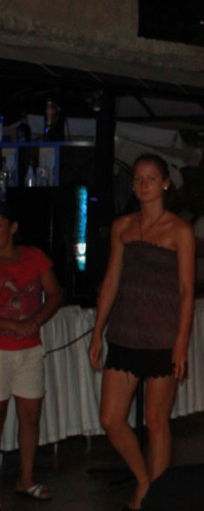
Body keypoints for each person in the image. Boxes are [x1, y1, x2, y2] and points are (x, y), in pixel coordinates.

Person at [88, 154, 195, 511]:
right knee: (111, 418)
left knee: (155, 421)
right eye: (137, 179)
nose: (143, 184)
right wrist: (97, 332)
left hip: (162, 337)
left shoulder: (179, 231)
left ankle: (156, 498)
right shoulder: (123, 226)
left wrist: (181, 343)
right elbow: (110, 281)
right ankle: (145, 481)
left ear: (165, 183)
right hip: (124, 333)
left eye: (150, 178)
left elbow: (186, 290)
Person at [0, 202, 62, 503]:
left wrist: (35, 321)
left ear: (13, 228)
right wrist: (12, 324)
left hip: (29, 350)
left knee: (30, 418)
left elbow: (55, 294)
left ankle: (26, 480)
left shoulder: (34, 256)